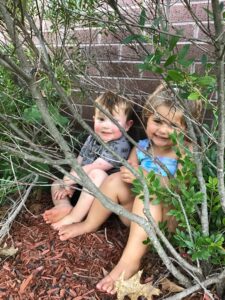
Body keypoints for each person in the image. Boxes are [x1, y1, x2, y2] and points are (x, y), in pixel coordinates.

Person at [56, 84, 202, 294]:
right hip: (136, 219)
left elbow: (181, 189)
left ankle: (130, 261)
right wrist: (128, 174)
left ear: (186, 128)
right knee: (114, 179)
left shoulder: (185, 152)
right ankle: (89, 223)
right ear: (147, 118)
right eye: (157, 121)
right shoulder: (141, 146)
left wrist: (148, 178)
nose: (162, 130)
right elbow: (128, 173)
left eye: (173, 125)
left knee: (149, 190)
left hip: (167, 225)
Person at [43, 91, 133, 226]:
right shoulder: (92, 138)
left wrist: (73, 179)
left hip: (101, 197)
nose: (105, 125)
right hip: (83, 187)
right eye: (101, 119)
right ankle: (64, 206)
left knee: (98, 173)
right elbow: (80, 159)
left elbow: (97, 166)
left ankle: (74, 217)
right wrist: (69, 183)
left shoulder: (121, 145)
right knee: (57, 182)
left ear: (127, 125)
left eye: (113, 120)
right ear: (94, 119)